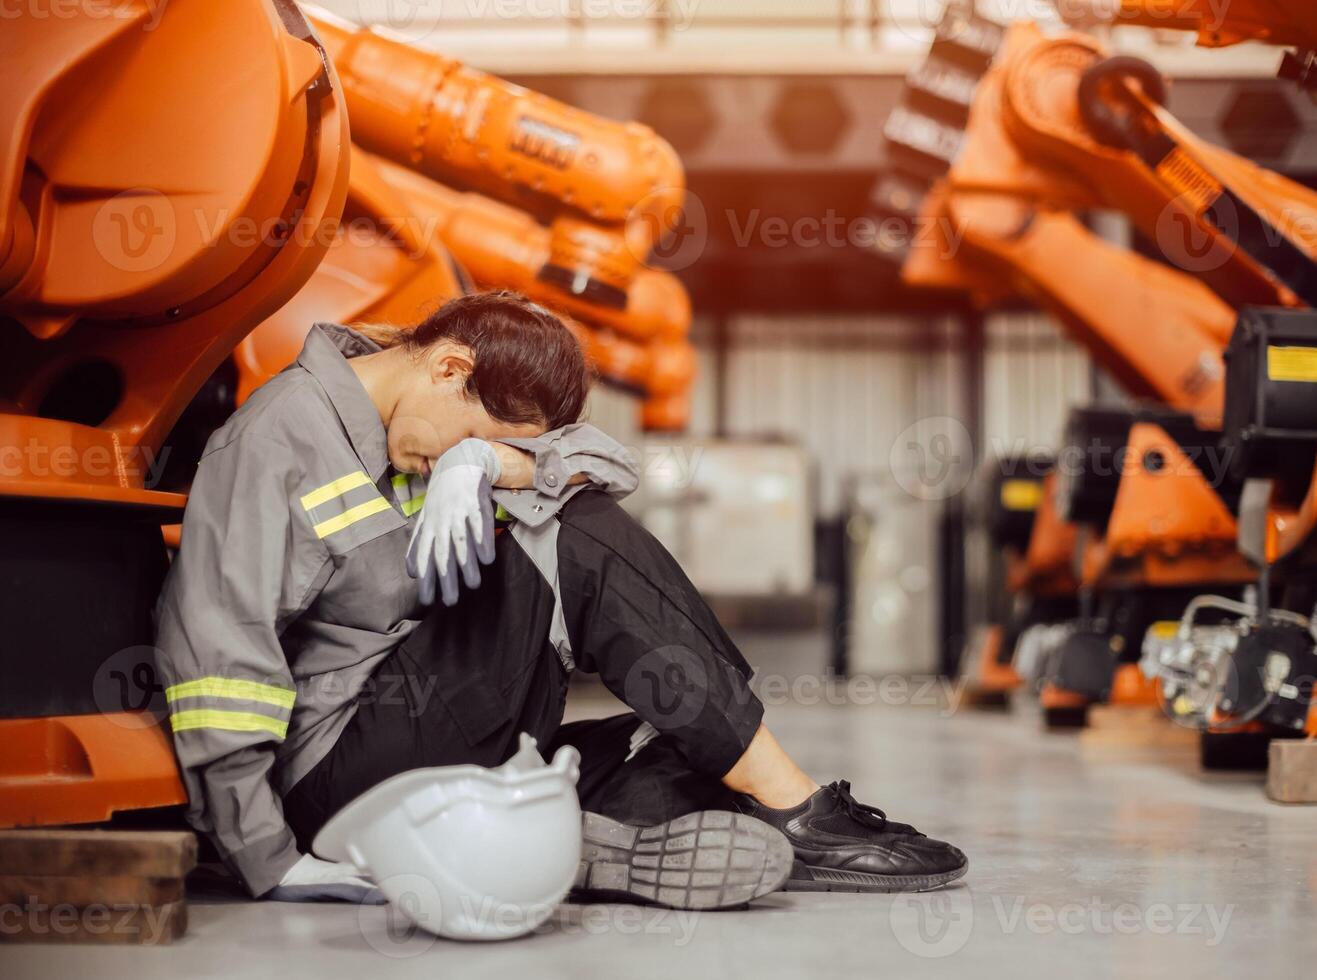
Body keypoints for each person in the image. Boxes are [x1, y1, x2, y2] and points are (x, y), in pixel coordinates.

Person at [154, 291, 968, 909]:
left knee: (667, 735)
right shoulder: (275, 439)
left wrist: (484, 464)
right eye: (484, 437)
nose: (468, 460)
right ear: (447, 367)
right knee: (572, 530)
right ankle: (793, 808)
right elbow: (217, 651)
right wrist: (267, 857)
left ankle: (573, 842)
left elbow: (611, 460)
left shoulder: (426, 417)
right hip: (337, 774)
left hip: (434, 731)